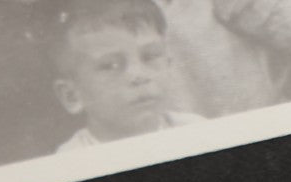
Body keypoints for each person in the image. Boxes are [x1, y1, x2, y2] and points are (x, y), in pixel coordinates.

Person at [47, 0, 202, 151]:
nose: (139, 75)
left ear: (169, 63)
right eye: (110, 66)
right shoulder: (70, 162)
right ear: (72, 96)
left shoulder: (198, 131)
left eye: (150, 56)